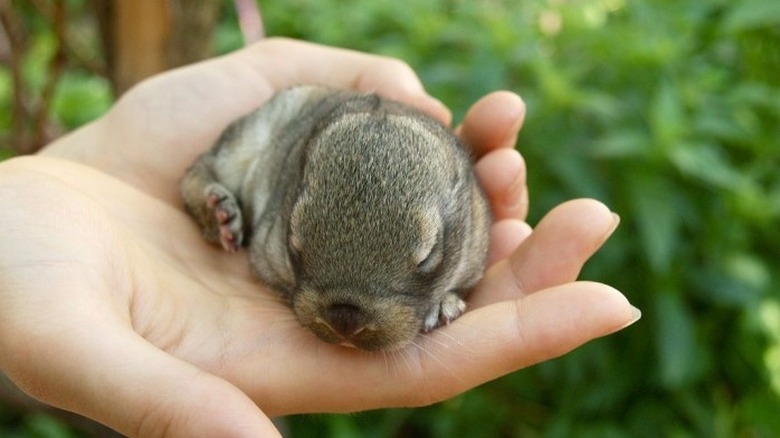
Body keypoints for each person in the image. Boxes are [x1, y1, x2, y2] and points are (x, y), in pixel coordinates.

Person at [0, 38, 640, 437]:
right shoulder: (295, 169)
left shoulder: (467, 222)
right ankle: (208, 188)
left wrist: (443, 296)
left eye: (422, 265)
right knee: (283, 109)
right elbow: (275, 250)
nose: (346, 325)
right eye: (302, 252)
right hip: (297, 140)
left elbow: (466, 271)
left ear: (457, 218)